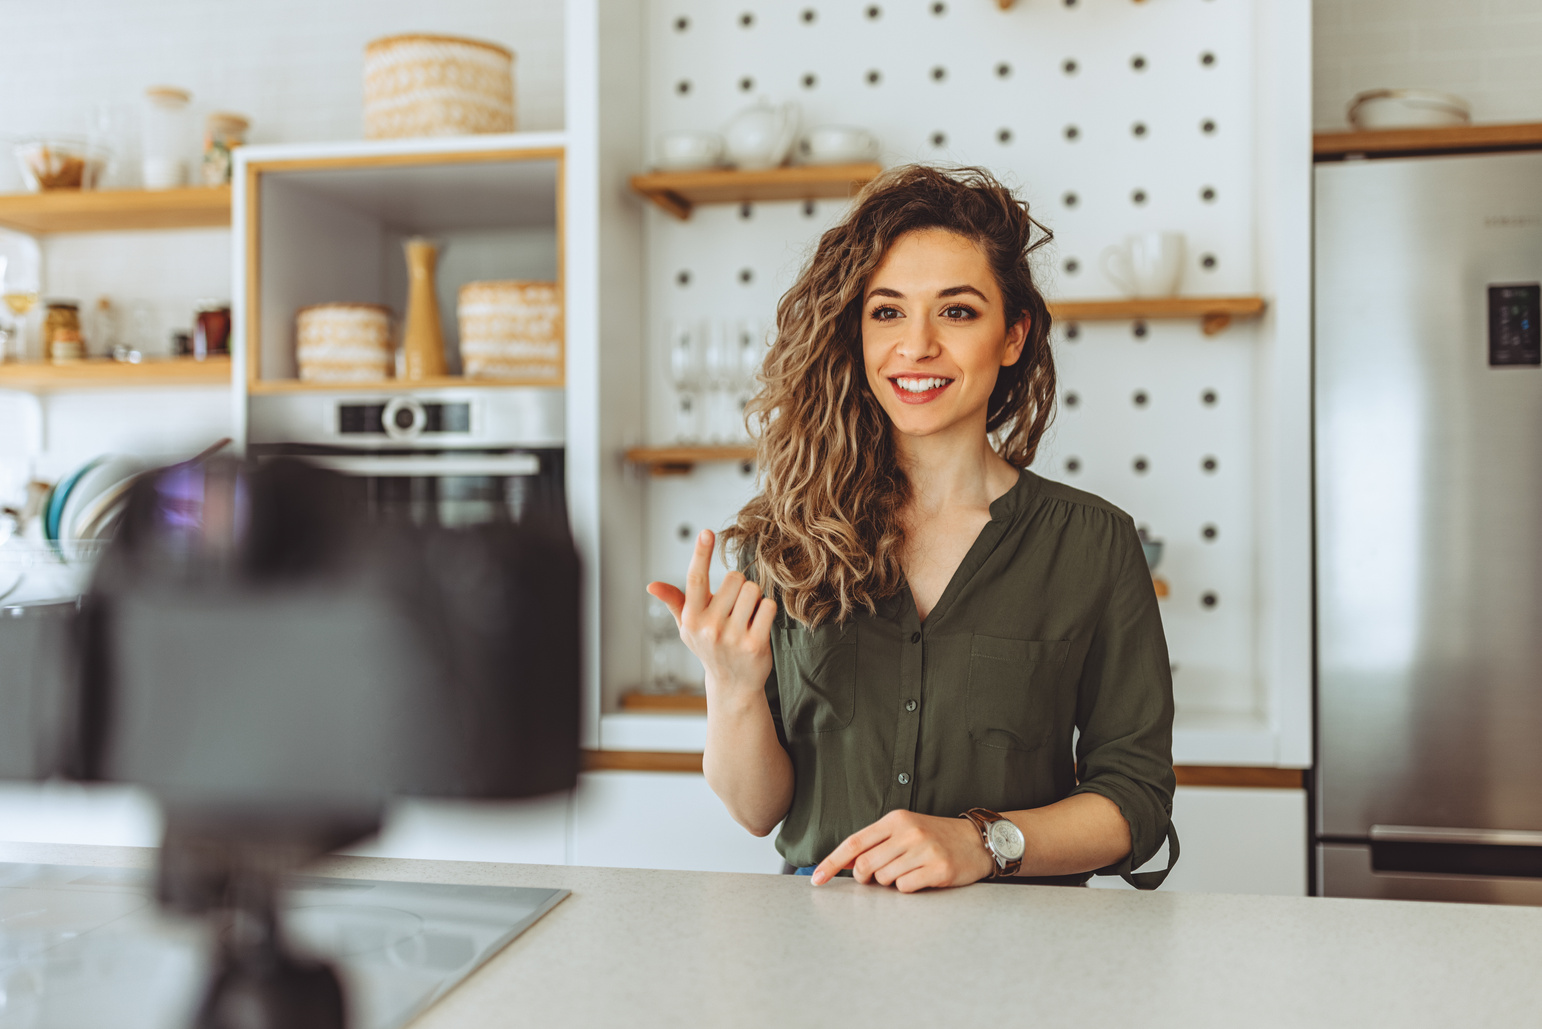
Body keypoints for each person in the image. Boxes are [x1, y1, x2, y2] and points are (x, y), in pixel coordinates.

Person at [647, 165, 1177, 892]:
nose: (917, 345)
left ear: (1013, 335)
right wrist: (732, 688)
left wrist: (980, 841)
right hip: (822, 948)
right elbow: (755, 808)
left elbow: (1136, 801)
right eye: (887, 312)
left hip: (1023, 955)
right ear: (856, 333)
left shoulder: (1094, 544)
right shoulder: (785, 537)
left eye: (957, 312)